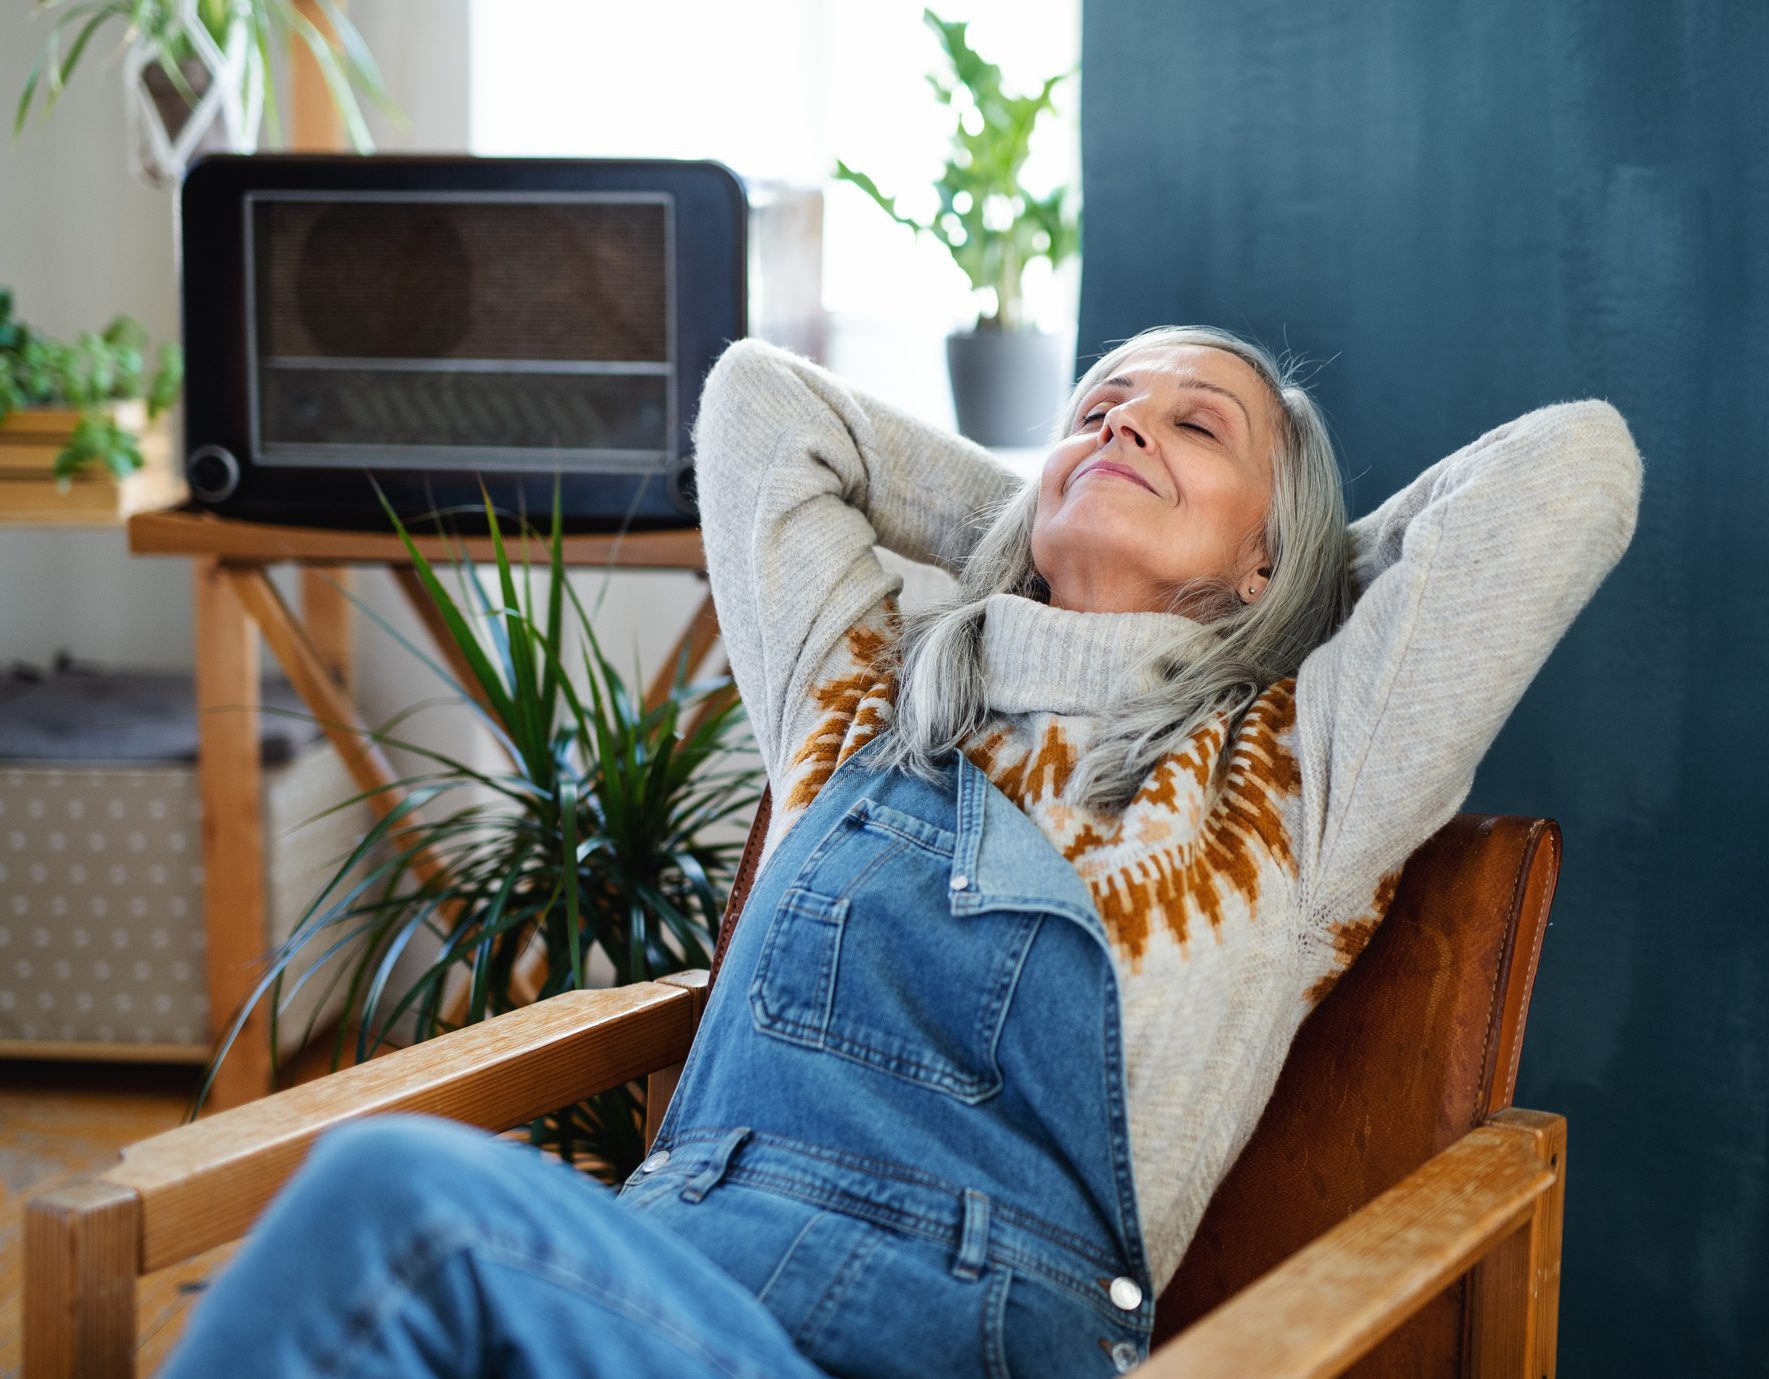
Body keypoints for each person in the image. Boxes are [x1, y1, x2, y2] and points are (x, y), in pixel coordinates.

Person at [156, 324, 1642, 1378]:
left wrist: (1296, 582)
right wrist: (1062, 512)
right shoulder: (862, 678)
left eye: (1195, 424)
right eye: (1097, 407)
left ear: (1274, 555)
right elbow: (759, 402)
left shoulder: (1294, 773)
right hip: (659, 1292)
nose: (1122, 422)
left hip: (963, 1345)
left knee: (394, 1210)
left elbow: (1573, 470)